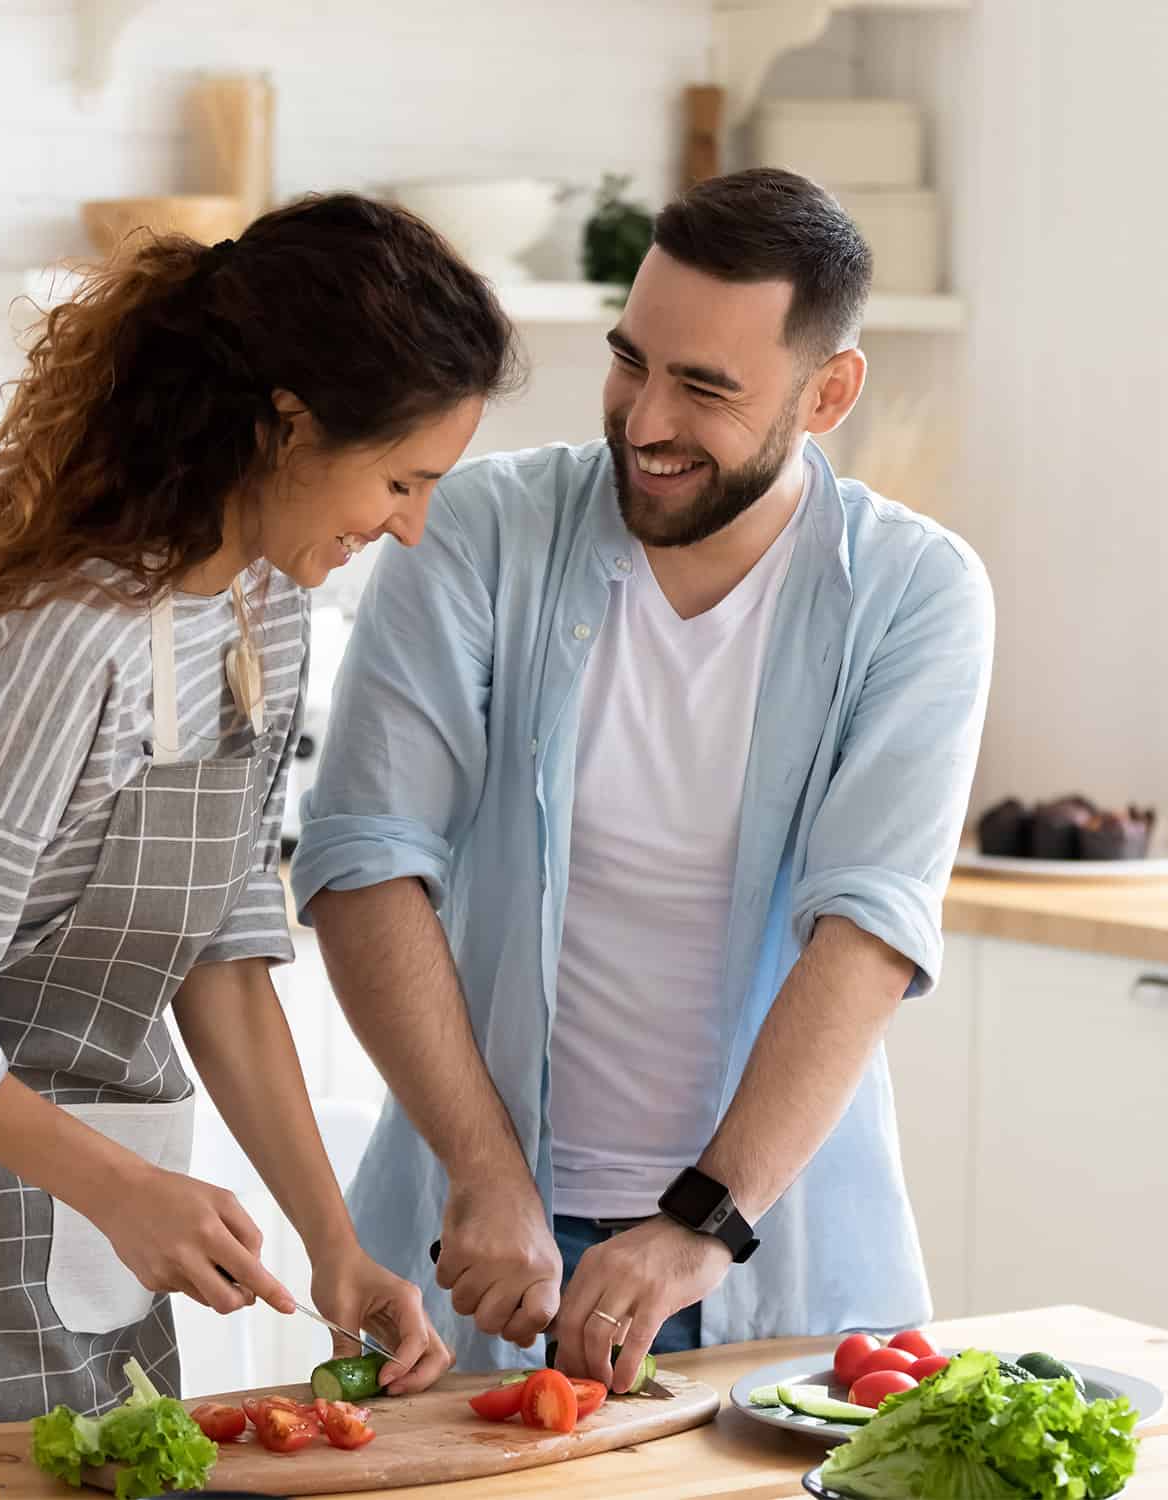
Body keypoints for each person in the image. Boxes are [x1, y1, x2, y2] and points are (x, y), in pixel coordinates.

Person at [0, 193, 520, 1434]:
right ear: (289, 426)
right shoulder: (62, 645)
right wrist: (125, 1193)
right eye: (401, 479)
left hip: (102, 1245)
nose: (410, 524)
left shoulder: (264, 614)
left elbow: (225, 960)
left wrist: (334, 1246)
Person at [291, 168, 994, 1387]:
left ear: (829, 393)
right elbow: (364, 861)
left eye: (706, 388)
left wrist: (705, 1221)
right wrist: (486, 1170)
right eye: (634, 362)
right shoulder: (472, 532)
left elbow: (870, 927)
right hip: (479, 1246)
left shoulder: (916, 593)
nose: (645, 419)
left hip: (765, 1253)